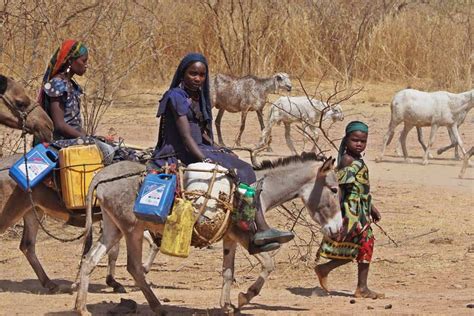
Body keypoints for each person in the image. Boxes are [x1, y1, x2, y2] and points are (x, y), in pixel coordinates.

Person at [150, 53, 294, 253]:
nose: (197, 79)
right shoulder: (175, 97)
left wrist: (219, 148)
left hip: (199, 146)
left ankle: (254, 228)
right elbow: (186, 137)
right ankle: (258, 228)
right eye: (193, 74)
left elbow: (201, 133)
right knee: (240, 171)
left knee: (244, 167)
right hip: (180, 150)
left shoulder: (197, 96)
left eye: (201, 75)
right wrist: (206, 159)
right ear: (183, 74)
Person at [315, 121, 384, 299]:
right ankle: (360, 287)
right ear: (346, 140)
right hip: (351, 212)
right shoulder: (347, 160)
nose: (359, 144)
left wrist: (371, 207)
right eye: (355, 140)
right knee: (364, 244)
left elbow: (360, 188)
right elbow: (340, 188)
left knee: (360, 247)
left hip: (360, 210)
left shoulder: (356, 159)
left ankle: (327, 269)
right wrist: (337, 214)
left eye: (363, 141)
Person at [37, 39, 88, 141]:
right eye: (84, 61)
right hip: (61, 143)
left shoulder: (71, 85)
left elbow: (74, 123)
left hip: (73, 140)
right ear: (70, 61)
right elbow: (60, 125)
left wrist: (88, 137)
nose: (86, 65)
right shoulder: (57, 84)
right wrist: (84, 139)